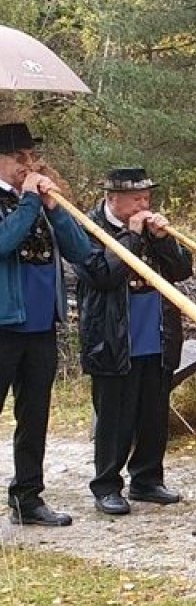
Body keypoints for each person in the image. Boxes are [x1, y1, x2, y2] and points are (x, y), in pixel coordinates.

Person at [74, 166, 194, 516]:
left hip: (157, 331)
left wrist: (163, 239)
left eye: (147, 197)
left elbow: (182, 270)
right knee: (114, 416)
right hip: (112, 337)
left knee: (153, 412)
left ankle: (147, 479)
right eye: (137, 199)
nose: (144, 205)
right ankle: (107, 486)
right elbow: (102, 275)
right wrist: (132, 235)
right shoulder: (89, 228)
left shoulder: (151, 230)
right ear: (113, 199)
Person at [0, 121, 97, 526]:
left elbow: (81, 251)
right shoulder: (23, 201)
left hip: (40, 326)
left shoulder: (38, 201)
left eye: (31, 156)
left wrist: (55, 210)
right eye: (17, 157)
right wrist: (28, 201)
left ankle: (27, 497)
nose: (28, 164)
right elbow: (3, 243)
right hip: (2, 326)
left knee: (34, 416)